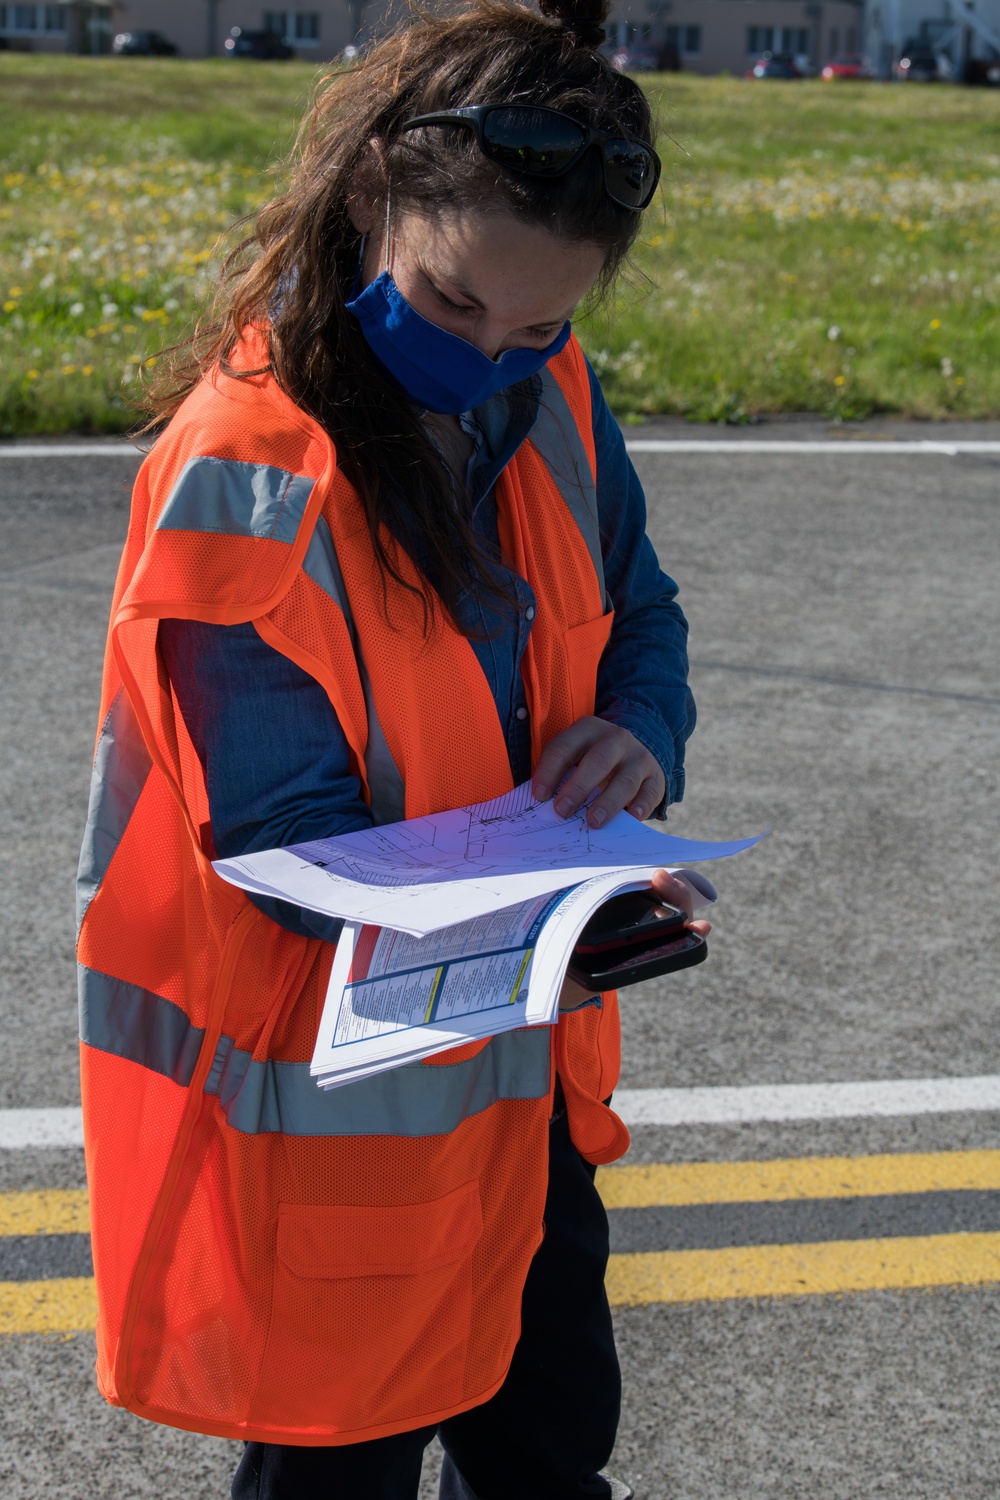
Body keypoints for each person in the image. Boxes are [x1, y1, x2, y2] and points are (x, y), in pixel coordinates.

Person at [76, 1, 705, 1495]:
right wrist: (569, 914)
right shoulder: (246, 471)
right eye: (449, 308)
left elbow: (642, 612)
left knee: (551, 1457)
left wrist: (640, 735)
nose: (490, 359)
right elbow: (291, 848)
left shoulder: (546, 387)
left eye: (541, 326)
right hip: (345, 1127)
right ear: (371, 195)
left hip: (518, 1103)